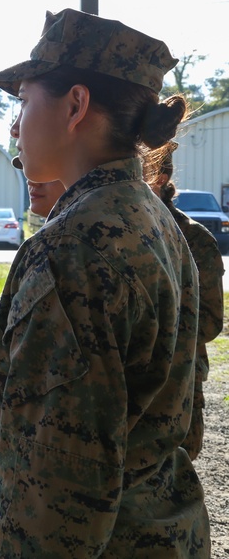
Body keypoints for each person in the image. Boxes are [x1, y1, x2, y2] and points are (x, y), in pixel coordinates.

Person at [0, 8, 210, 556]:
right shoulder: (146, 217)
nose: (14, 126)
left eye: (25, 102)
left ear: (76, 105)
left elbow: (54, 502)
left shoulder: (74, 246)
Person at [144, 143, 224, 460]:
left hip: (176, 388)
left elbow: (209, 321)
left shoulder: (194, 239)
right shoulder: (112, 230)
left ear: (161, 177)